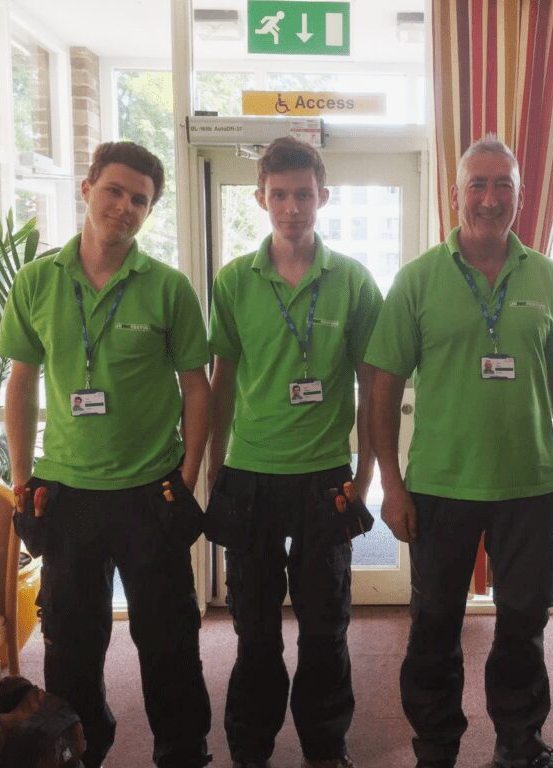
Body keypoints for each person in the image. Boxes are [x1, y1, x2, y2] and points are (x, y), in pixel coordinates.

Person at [365, 135, 553, 768]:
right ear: (456, 193)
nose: (490, 199)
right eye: (478, 185)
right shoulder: (418, 279)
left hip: (530, 485)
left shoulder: (544, 275)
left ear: (520, 193)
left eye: (503, 185)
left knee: (524, 625)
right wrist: (392, 483)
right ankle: (436, 746)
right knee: (435, 627)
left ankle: (520, 743)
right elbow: (384, 383)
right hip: (439, 486)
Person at [0, 141, 213, 768]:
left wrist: (187, 474)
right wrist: (20, 478)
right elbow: (22, 379)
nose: (124, 207)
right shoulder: (38, 280)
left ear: (149, 212)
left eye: (139, 200)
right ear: (87, 189)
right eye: (114, 191)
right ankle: (80, 747)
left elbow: (195, 387)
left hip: (150, 491)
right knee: (71, 644)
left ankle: (182, 750)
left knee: (170, 638)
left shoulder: (167, 288)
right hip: (68, 495)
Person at [206, 136, 382, 768]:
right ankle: (250, 748)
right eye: (278, 195)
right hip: (250, 477)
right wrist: (213, 474)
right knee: (254, 632)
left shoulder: (353, 282)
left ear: (322, 197)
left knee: (326, 629)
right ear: (260, 198)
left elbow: (373, 385)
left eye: (302, 194)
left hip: (324, 478)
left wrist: (366, 477)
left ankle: (325, 749)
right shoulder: (233, 282)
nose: (291, 207)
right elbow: (221, 385)